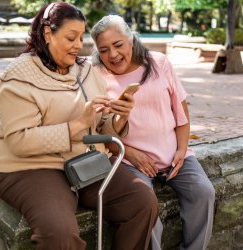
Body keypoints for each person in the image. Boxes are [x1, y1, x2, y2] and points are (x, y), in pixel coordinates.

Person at [0, 3, 158, 250]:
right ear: (48, 34)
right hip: (29, 167)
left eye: (81, 37)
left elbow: (99, 130)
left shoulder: (86, 71)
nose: (79, 45)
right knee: (59, 232)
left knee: (143, 202)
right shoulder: (17, 77)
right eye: (71, 37)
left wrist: (119, 118)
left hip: (83, 161)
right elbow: (19, 141)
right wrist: (77, 126)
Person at [90, 15, 215, 250]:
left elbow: (181, 110)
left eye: (118, 45)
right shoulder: (96, 75)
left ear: (131, 39)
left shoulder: (158, 62)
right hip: (128, 160)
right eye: (104, 50)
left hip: (174, 156)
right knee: (146, 208)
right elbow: (98, 131)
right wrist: (132, 153)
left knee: (204, 192)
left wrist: (181, 149)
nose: (113, 55)